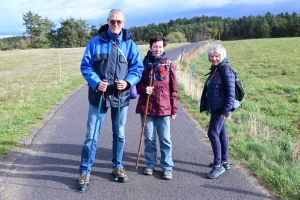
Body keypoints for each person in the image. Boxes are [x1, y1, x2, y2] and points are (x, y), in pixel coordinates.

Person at [78, 9, 144, 189]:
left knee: (120, 134)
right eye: (112, 21)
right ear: (107, 22)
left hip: (120, 97)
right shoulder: (95, 43)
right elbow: (86, 66)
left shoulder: (130, 45)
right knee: (91, 136)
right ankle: (85, 170)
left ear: (124, 23)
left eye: (119, 22)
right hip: (98, 96)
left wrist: (128, 82)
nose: (116, 25)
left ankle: (117, 166)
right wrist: (96, 82)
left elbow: (137, 69)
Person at [135, 36, 178, 180]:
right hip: (147, 107)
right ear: (150, 47)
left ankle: (167, 167)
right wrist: (143, 89)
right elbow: (136, 85)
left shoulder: (168, 65)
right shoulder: (144, 64)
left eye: (160, 47)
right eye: (155, 46)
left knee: (165, 139)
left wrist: (174, 108)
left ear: (163, 48)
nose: (157, 49)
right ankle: (150, 164)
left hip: (164, 108)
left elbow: (173, 89)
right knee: (149, 138)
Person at [200, 44, 235, 179]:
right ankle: (224, 161)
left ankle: (218, 165)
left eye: (217, 56)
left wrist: (226, 111)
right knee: (221, 134)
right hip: (216, 108)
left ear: (222, 56)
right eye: (212, 56)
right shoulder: (216, 69)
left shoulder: (225, 70)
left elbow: (230, 94)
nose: (214, 58)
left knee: (212, 133)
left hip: (221, 109)